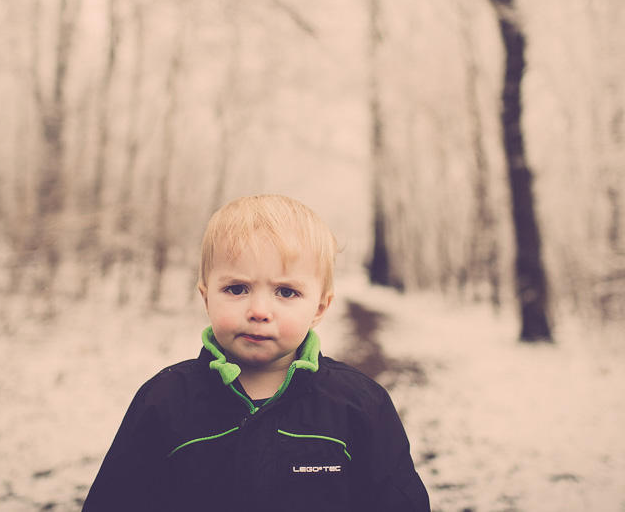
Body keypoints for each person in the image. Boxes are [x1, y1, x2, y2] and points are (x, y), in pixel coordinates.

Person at [81, 194, 430, 512]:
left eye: (286, 292)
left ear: (320, 308)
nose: (259, 310)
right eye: (237, 288)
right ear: (206, 298)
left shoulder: (360, 405)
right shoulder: (164, 401)